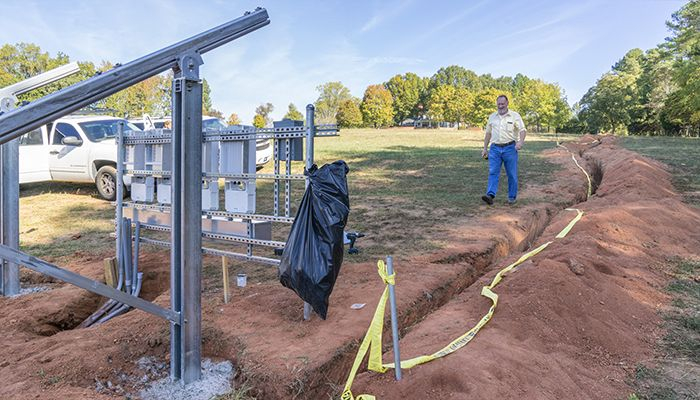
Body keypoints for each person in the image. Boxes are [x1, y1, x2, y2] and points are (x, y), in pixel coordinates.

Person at [480, 95, 526, 205]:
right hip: (495, 148)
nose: (500, 106)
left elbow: (522, 130)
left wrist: (520, 142)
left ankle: (512, 197)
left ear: (507, 103)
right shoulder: (492, 117)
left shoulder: (515, 116)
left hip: (510, 148)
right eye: (498, 104)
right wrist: (485, 148)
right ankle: (490, 195)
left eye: (502, 104)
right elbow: (488, 133)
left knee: (511, 173)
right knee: (493, 172)